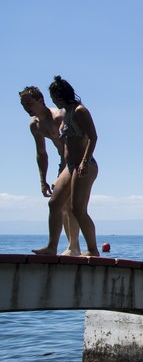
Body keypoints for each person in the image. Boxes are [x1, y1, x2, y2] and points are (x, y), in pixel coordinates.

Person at [33, 76, 100, 256]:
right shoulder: (67, 114)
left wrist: (85, 161)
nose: (52, 101)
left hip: (84, 165)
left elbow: (93, 137)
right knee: (55, 204)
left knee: (77, 209)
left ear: (60, 96)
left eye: (53, 97)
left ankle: (93, 250)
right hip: (69, 167)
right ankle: (51, 247)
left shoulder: (80, 111)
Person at [20, 86, 82, 256]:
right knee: (60, 205)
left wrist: (64, 172)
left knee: (69, 204)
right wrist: (43, 180)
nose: (26, 107)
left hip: (76, 160)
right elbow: (41, 153)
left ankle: (73, 247)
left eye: (29, 103)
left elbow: (70, 145)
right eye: (23, 104)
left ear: (40, 101)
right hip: (64, 162)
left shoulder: (59, 117)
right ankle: (71, 247)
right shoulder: (35, 125)